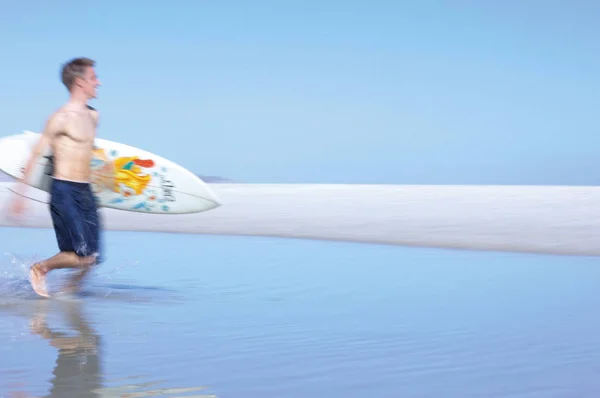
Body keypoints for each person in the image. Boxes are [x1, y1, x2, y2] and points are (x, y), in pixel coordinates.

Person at [10, 57, 105, 297]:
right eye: (94, 78)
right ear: (80, 82)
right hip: (64, 191)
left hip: (85, 192)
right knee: (80, 256)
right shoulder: (60, 118)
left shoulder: (94, 116)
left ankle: (66, 295)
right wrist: (19, 197)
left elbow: (85, 153)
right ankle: (40, 268)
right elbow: (37, 154)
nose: (99, 83)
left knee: (93, 258)